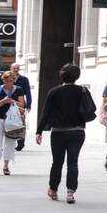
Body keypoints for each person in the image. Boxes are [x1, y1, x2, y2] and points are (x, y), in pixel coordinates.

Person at [36, 63, 92, 203]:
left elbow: (46, 113)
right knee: (73, 162)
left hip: (58, 132)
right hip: (77, 131)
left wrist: (39, 131)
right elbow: (91, 108)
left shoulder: (54, 91)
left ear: (62, 75)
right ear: (77, 76)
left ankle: (53, 190)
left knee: (57, 162)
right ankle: (70, 192)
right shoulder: (83, 91)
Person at [0, 71, 27, 176]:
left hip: (12, 118)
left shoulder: (18, 90)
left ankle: (6, 165)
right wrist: (3, 101)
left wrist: (12, 101)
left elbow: (22, 105)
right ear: (3, 80)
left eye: (10, 81)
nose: (8, 83)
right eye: (6, 81)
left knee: (10, 141)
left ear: (14, 80)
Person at [9, 63, 32, 151]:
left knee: (21, 124)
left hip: (20, 104)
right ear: (11, 68)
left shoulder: (24, 79)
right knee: (9, 124)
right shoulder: (7, 79)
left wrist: (29, 104)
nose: (16, 70)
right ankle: (9, 142)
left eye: (17, 68)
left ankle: (21, 143)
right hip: (8, 104)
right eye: (14, 68)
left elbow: (28, 92)